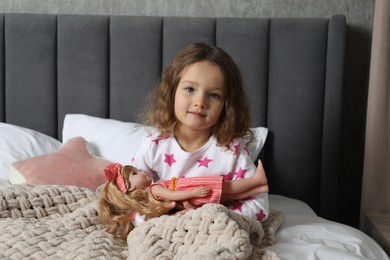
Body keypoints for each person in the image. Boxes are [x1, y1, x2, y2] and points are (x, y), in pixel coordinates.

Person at [132, 42, 269, 223]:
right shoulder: (154, 144)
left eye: (214, 95)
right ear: (172, 91)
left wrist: (205, 217)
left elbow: (259, 207)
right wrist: (163, 218)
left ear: (227, 105)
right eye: (190, 89)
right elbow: (131, 198)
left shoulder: (232, 150)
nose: (200, 102)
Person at [98, 161, 268, 240]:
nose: (142, 171)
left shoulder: (152, 194)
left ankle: (259, 187)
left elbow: (172, 206)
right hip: (191, 191)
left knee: (227, 194)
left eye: (137, 169)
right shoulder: (154, 189)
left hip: (191, 196)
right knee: (227, 189)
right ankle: (256, 181)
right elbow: (173, 198)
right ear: (129, 188)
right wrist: (193, 191)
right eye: (135, 173)